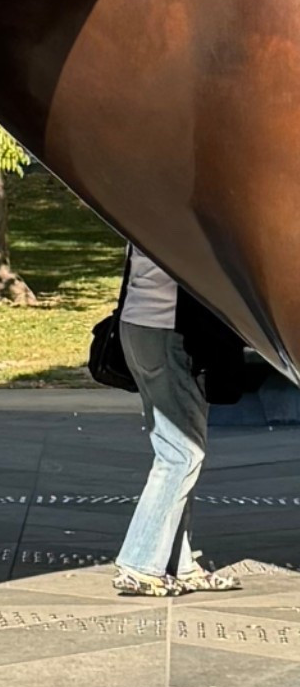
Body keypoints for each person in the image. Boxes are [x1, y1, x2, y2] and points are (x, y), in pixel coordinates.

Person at [113, 245, 242, 597]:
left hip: (141, 324)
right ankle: (139, 562)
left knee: (180, 451)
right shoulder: (179, 217)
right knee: (181, 454)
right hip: (167, 328)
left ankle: (179, 565)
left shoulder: (143, 213)